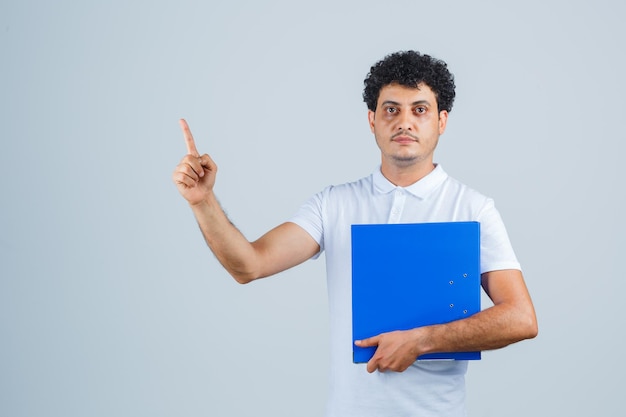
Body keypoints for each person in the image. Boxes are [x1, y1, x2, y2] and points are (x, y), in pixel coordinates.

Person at [172, 50, 538, 417]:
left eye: (420, 110)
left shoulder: (472, 208)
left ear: (442, 121)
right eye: (391, 109)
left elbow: (521, 318)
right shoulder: (333, 204)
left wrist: (423, 340)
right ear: (372, 120)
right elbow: (248, 265)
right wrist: (203, 202)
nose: (404, 122)